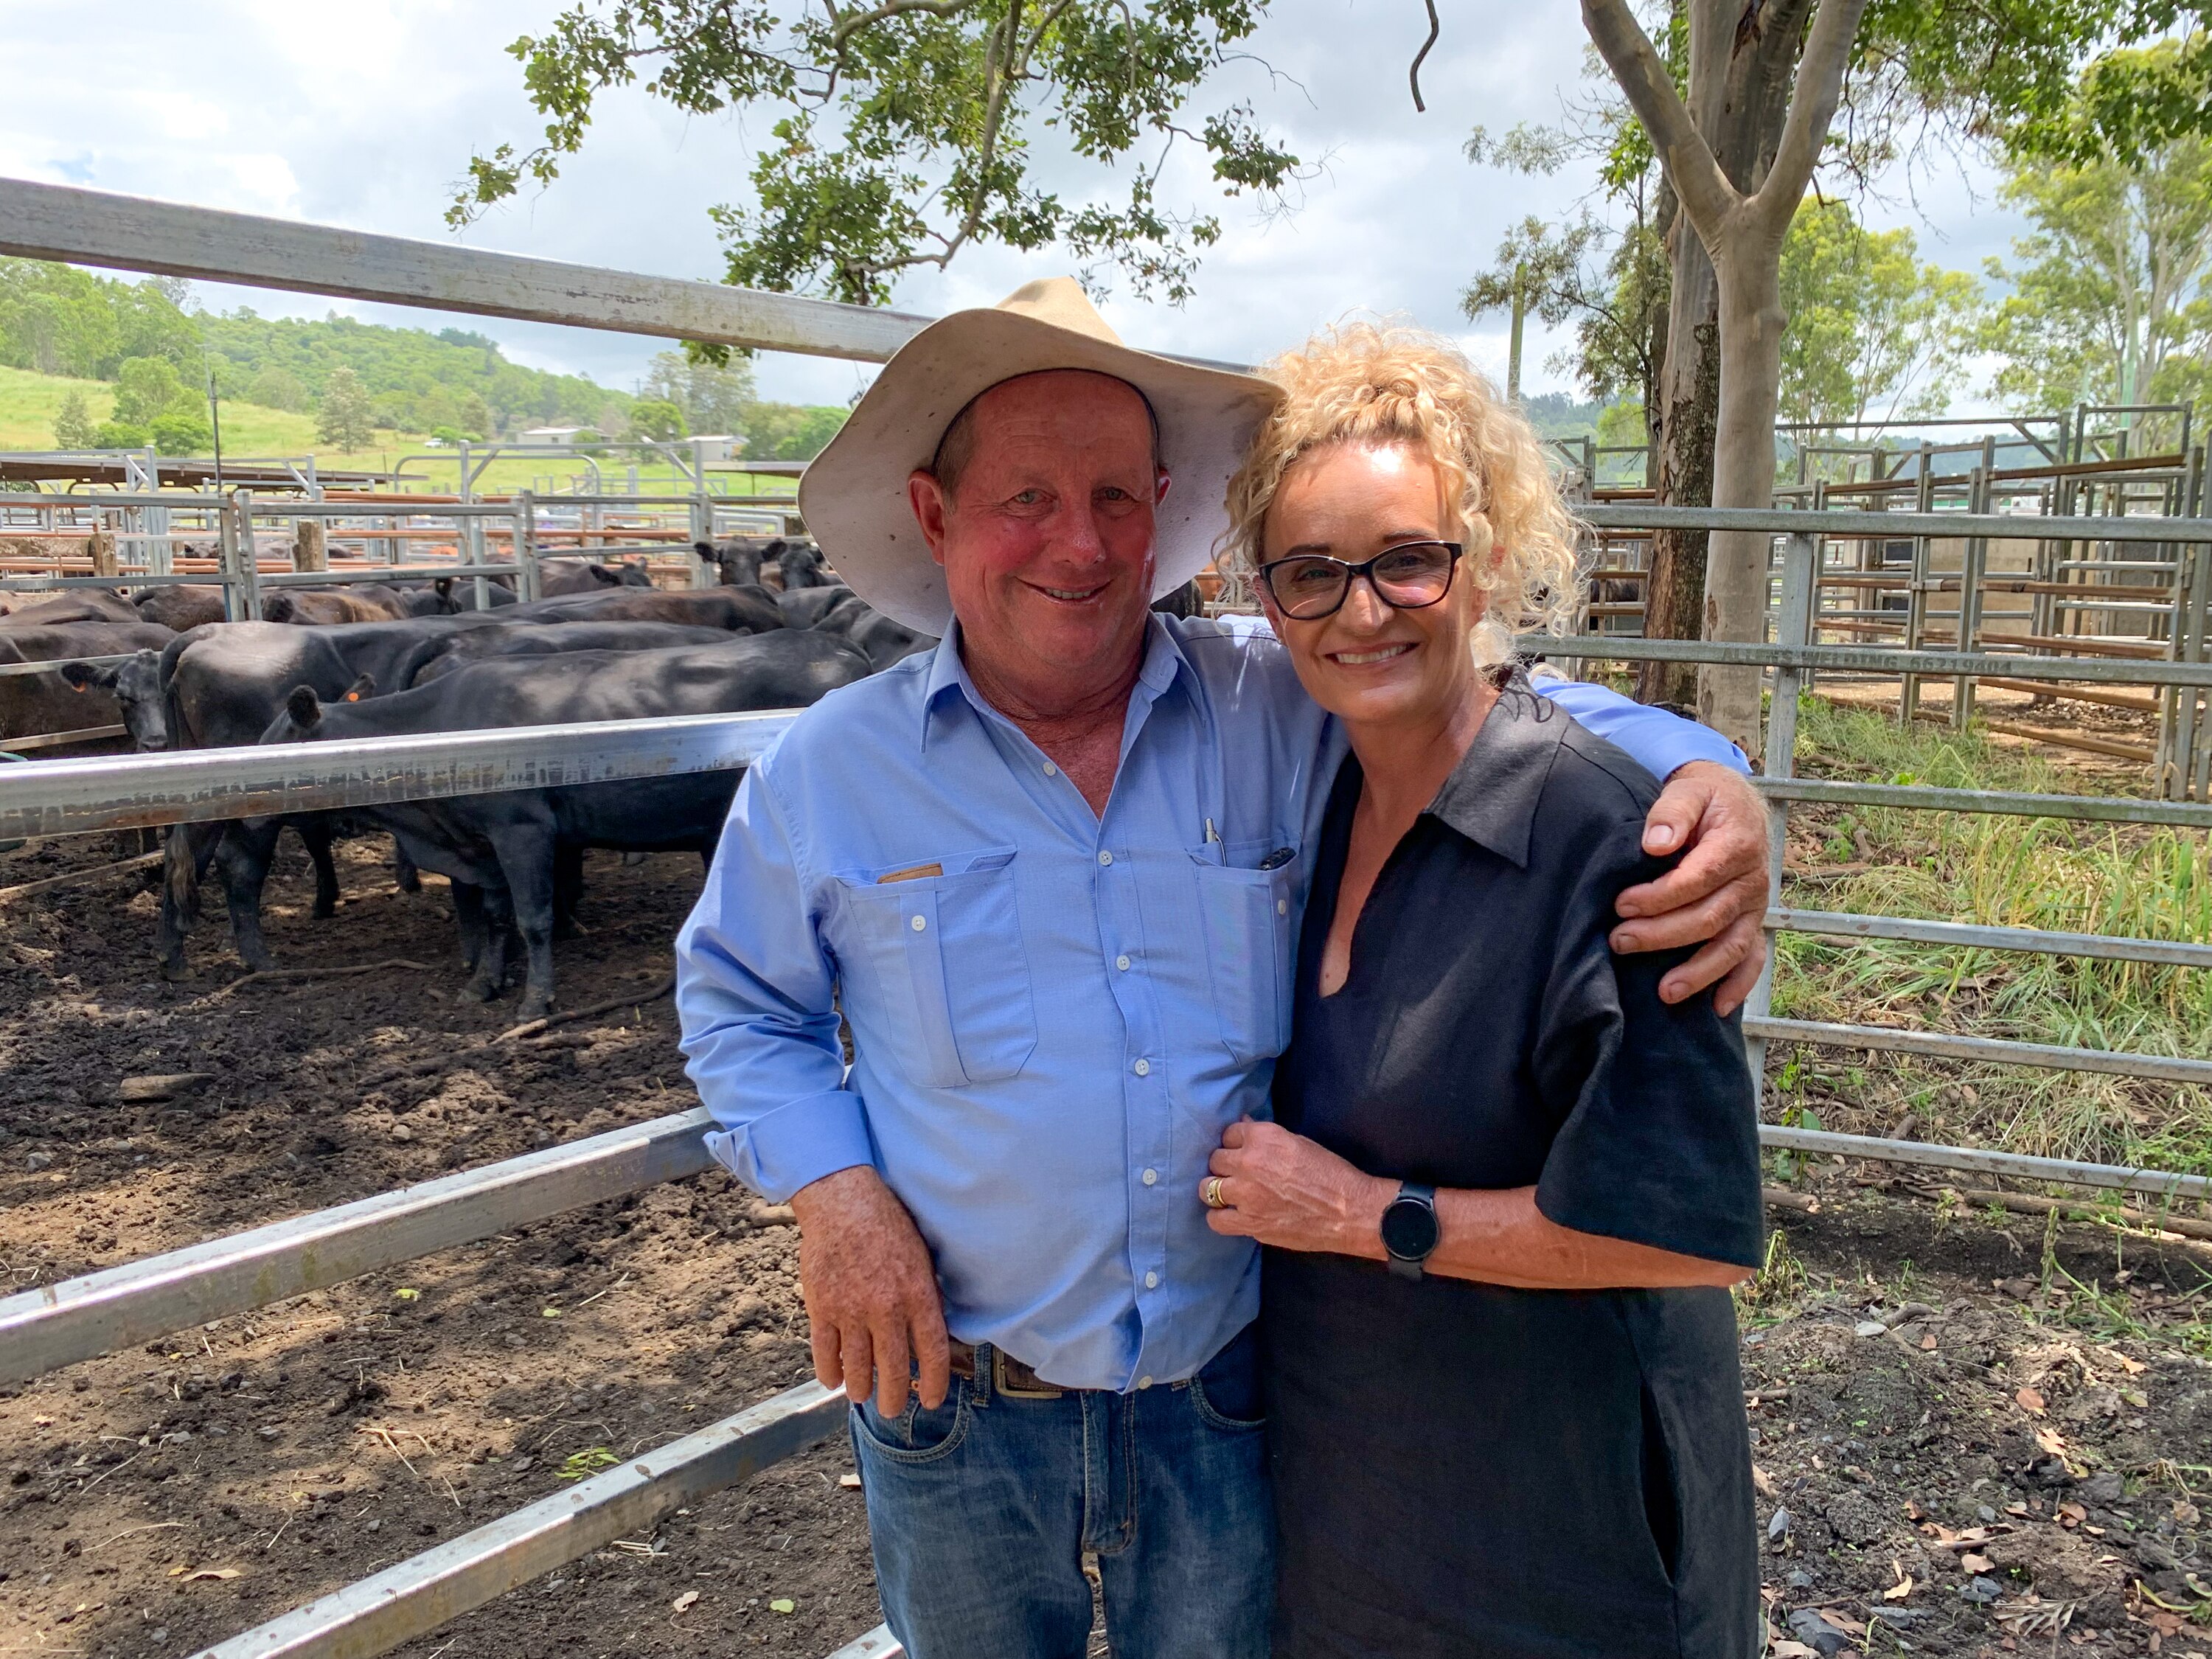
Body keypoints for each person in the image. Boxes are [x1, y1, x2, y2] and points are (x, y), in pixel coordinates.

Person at [672, 279, 1770, 1659]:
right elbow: (739, 1000)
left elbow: (1479, 704)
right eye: (1027, 498)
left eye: (1118, 497)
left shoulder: (1273, 698)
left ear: (1165, 509)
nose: (1080, 544)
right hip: (961, 1394)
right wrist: (831, 1189)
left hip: (1235, 1391)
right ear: (938, 516)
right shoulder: (830, 771)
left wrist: (1711, 776)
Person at [1198, 322, 1763, 1658]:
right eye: (1312, 573)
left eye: (1407, 560)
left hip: (1569, 1527)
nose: (1359, 609)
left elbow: (1688, 1234)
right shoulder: (1311, 800)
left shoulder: (1612, 843)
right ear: (1264, 597)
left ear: (1489, 558)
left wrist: (1358, 1215)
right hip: (1359, 1506)